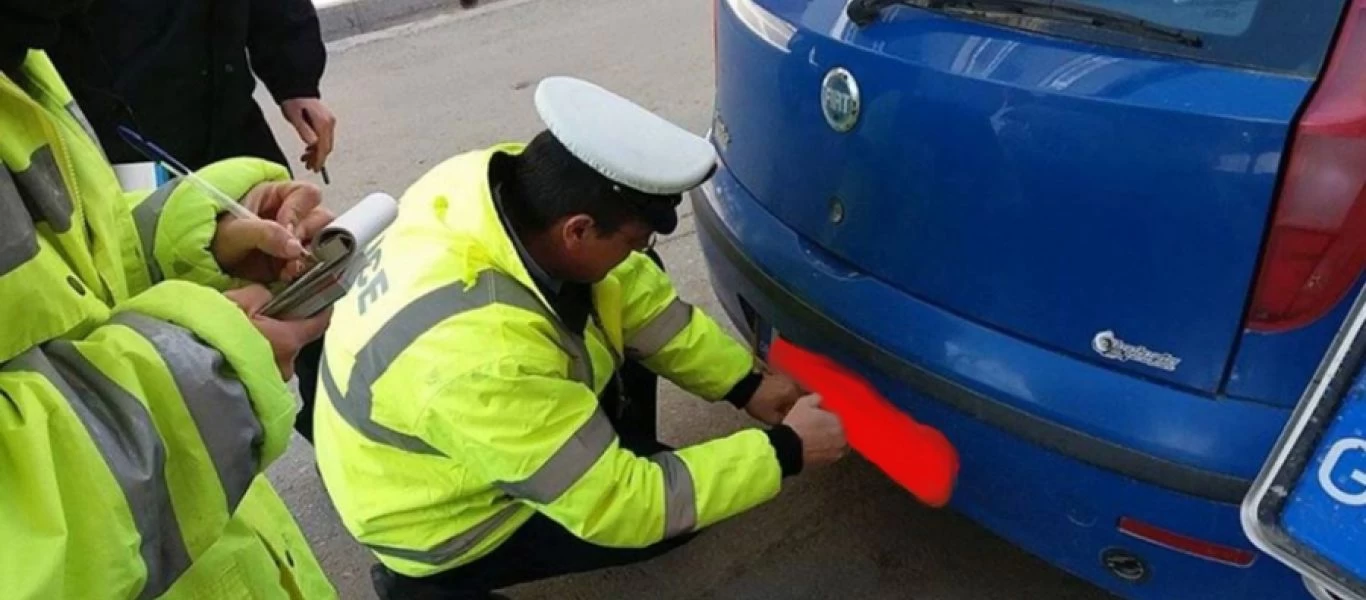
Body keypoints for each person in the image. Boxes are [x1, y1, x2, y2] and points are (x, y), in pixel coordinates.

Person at [313, 76, 850, 600]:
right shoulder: (488, 359)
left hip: (415, 438)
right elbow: (624, 507)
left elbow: (637, 295)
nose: (637, 254)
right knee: (671, 517)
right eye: (631, 240)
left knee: (623, 285)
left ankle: (588, 453)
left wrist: (744, 383)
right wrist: (785, 451)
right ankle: (423, 586)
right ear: (578, 230)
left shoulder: (487, 187)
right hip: (433, 517)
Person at [0, 1, 337, 597]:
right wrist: (206, 369)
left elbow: (65, 261)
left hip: (218, 555)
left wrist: (192, 241)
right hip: (142, 136)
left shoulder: (21, 56)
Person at [43, 0, 338, 441]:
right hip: (127, 145)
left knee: (302, 269)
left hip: (227, 120)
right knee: (169, 337)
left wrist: (295, 78)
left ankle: (336, 427)